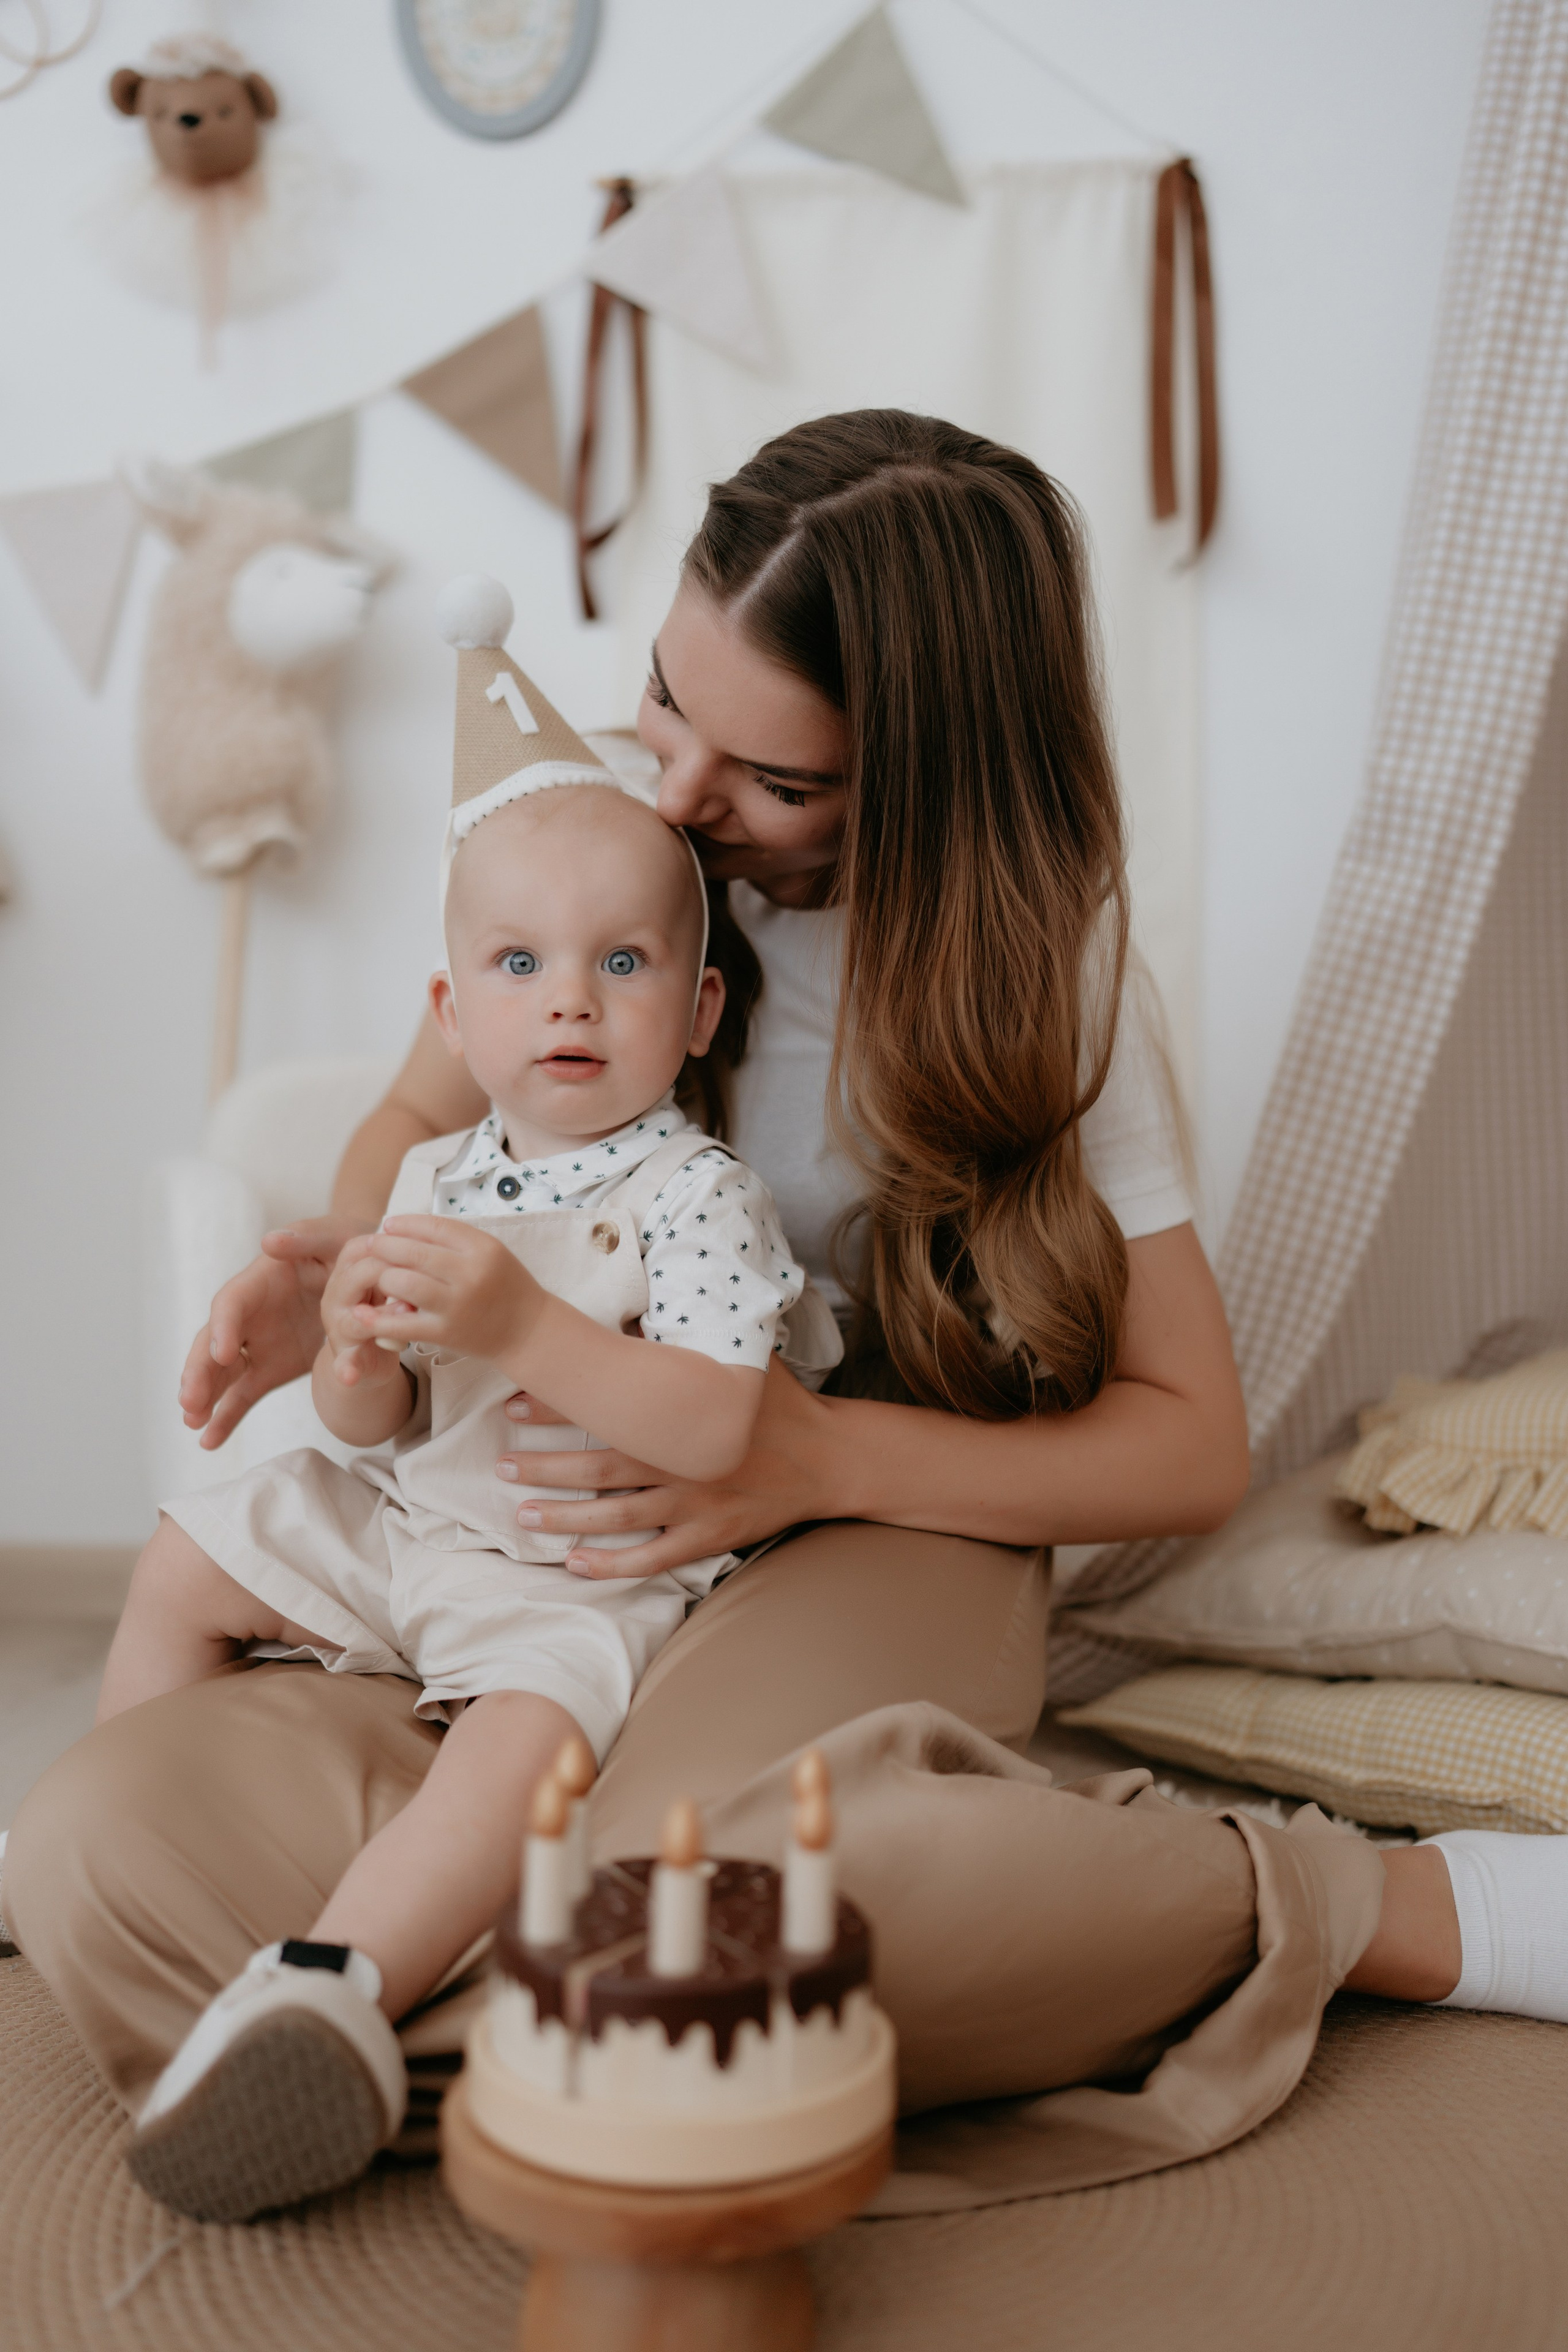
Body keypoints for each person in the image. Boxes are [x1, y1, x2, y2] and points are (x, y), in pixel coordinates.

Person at [10, 409, 1519, 2225]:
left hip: (874, 1508)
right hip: (539, 1531)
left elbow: (1190, 1443)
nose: (674, 798)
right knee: (104, 1834)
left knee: (698, 1891)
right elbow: (430, 1118)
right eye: (664, 704)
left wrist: (798, 1454)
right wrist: (344, 1265)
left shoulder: (1048, 978)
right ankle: (484, 2011)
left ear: (927, 775)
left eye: (773, 782)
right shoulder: (616, 840)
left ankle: (1365, 1906)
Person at [92, 625, 843, 2220]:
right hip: (410, 1526)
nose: (568, 1002)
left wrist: (521, 1320)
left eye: (621, 966)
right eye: (520, 967)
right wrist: (352, 1357)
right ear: (455, 1003)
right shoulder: (436, 1178)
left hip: (567, 1572)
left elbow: (721, 1429)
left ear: (699, 1008)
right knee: (192, 1550)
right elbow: (375, 1425)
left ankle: (331, 1985)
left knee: (519, 1756)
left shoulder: (698, 1196)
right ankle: (118, 1827)